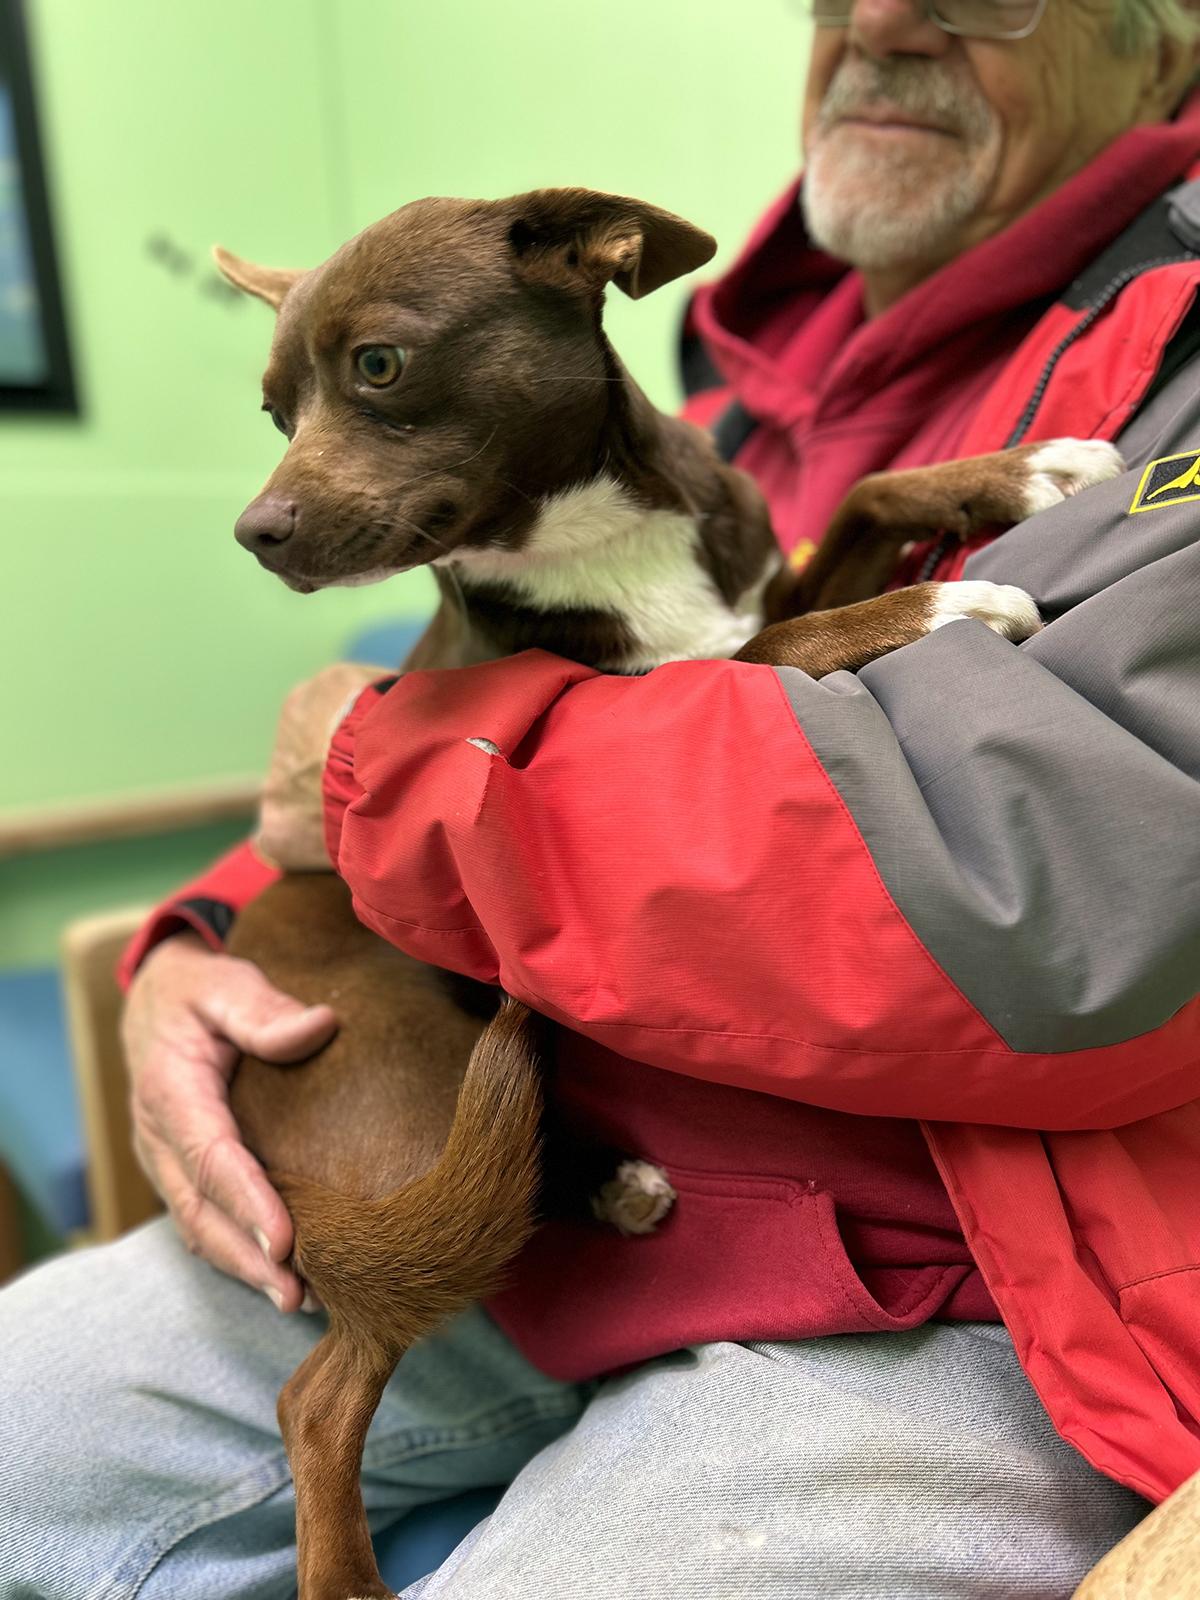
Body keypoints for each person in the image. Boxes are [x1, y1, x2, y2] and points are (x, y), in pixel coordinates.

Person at [5, 0, 1200, 1592]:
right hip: (535, 1182)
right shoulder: (724, 383)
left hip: (956, 1263)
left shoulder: (1175, 365)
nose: (881, 21)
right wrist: (195, 943)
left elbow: (1067, 903)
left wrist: (388, 774)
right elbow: (404, 738)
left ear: (1164, 47)